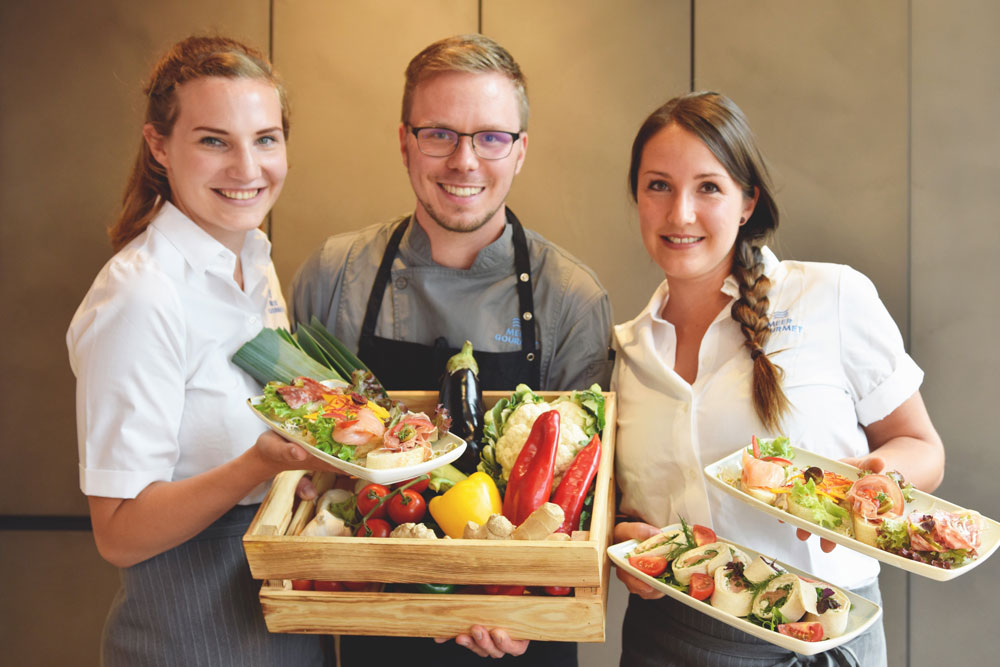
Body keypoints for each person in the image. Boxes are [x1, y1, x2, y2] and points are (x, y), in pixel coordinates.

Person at [291, 34, 612, 665]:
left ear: (520, 152)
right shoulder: (335, 274)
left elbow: (591, 493)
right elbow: (300, 459)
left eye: (491, 136)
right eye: (439, 133)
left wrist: (525, 609)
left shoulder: (570, 295)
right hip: (372, 618)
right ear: (405, 141)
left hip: (518, 632)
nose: (464, 160)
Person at [611, 91, 945, 666]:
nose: (680, 213)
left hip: (827, 635)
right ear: (637, 197)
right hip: (669, 641)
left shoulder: (833, 296)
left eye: (708, 187)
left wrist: (874, 484)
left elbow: (923, 447)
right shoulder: (625, 351)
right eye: (658, 185)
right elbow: (622, 511)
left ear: (747, 202)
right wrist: (623, 541)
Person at [67, 36, 335, 666]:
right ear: (160, 146)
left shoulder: (255, 262)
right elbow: (119, 532)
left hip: (282, 620)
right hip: (188, 635)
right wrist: (260, 462)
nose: (248, 169)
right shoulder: (141, 297)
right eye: (215, 140)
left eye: (266, 139)